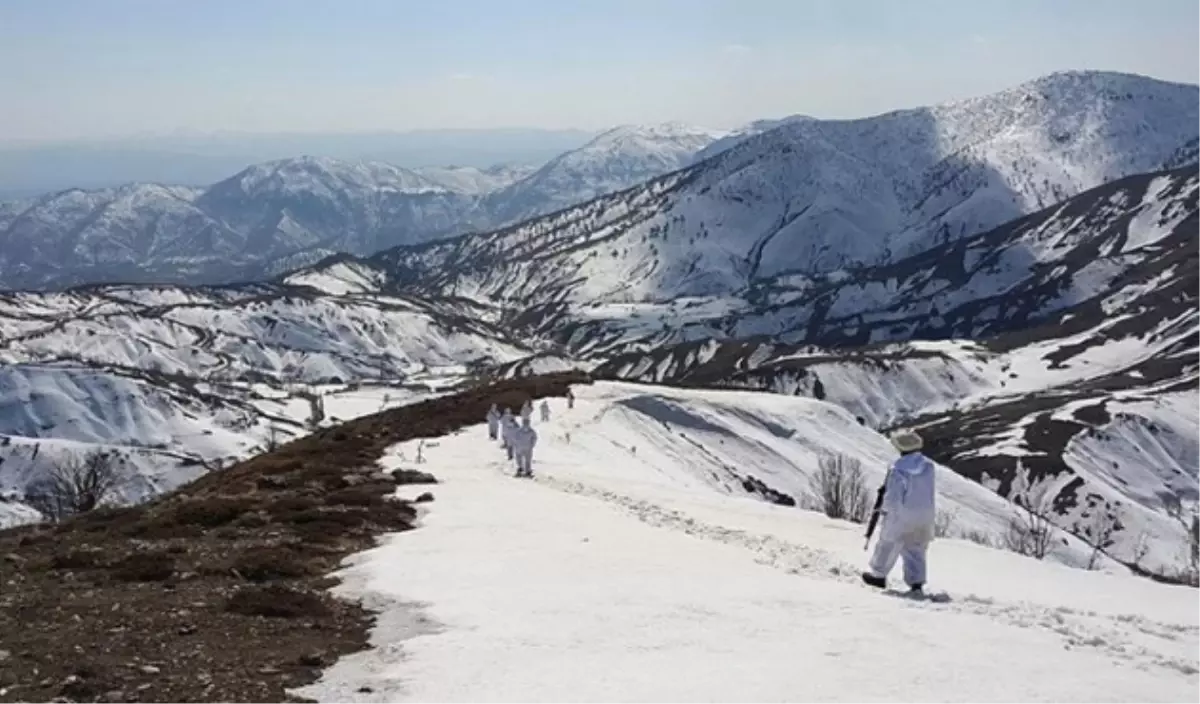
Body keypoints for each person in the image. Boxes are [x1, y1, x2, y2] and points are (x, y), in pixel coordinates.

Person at [862, 428, 936, 594]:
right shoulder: (928, 466)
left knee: (888, 544)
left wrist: (884, 510)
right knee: (916, 547)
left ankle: (878, 575)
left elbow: (893, 497)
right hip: (925, 514)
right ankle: (916, 582)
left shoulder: (897, 469)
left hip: (901, 514)